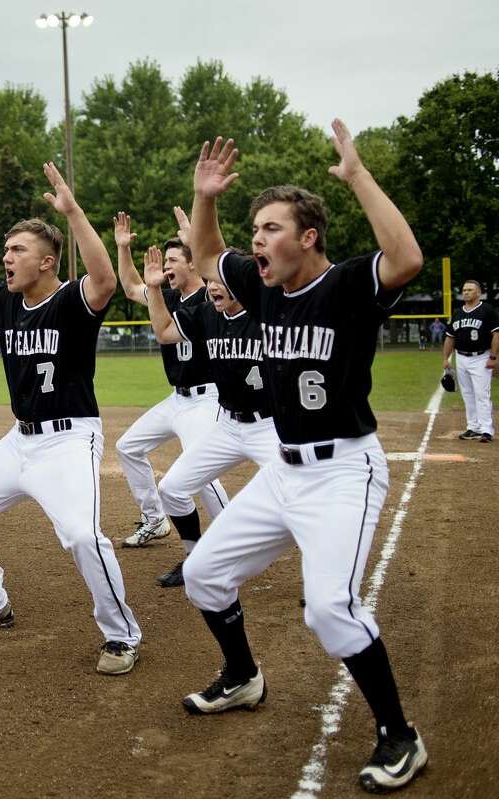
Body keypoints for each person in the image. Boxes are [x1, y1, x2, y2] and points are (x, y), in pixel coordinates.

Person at [184, 124, 428, 792]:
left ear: (308, 236)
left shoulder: (349, 285)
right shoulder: (262, 289)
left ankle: (399, 735)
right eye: (255, 229)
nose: (256, 240)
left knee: (330, 607)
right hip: (284, 470)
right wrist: (205, 197)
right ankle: (242, 676)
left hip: (344, 469)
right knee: (204, 573)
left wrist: (356, 176)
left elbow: (405, 257)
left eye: (271, 228)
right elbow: (206, 253)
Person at [0, 167, 142, 676]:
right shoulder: (5, 302)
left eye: (18, 251)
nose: (6, 258)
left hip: (69, 439)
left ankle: (122, 634)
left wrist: (71, 212)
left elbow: (106, 278)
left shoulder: (72, 301)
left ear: (47, 262)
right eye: (4, 251)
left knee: (82, 535)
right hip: (18, 441)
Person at [141, 245, 278, 588]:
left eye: (221, 280)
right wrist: (155, 289)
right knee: (171, 489)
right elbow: (164, 333)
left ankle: (323, 577)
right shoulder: (206, 314)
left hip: (270, 427)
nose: (214, 287)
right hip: (228, 426)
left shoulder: (267, 314)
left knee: (299, 495)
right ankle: (194, 556)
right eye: (211, 281)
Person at [112, 211, 229, 547]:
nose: (165, 268)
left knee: (199, 471)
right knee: (128, 447)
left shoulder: (211, 294)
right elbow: (133, 287)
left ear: (194, 265)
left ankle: (227, 538)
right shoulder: (167, 298)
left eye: (174, 260)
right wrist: (122, 248)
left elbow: (216, 267)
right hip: (177, 398)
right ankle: (154, 519)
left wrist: (197, 240)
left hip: (207, 398)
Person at [443, 279, 498, 442]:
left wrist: (493, 357)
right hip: (461, 357)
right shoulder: (458, 312)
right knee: (467, 394)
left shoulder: (487, 310)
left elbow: (497, 334)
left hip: (481, 357)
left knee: (482, 394)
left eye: (470, 290)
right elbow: (450, 337)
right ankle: (473, 427)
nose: (466, 292)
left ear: (479, 293)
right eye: (464, 290)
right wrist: (445, 358)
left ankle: (486, 430)